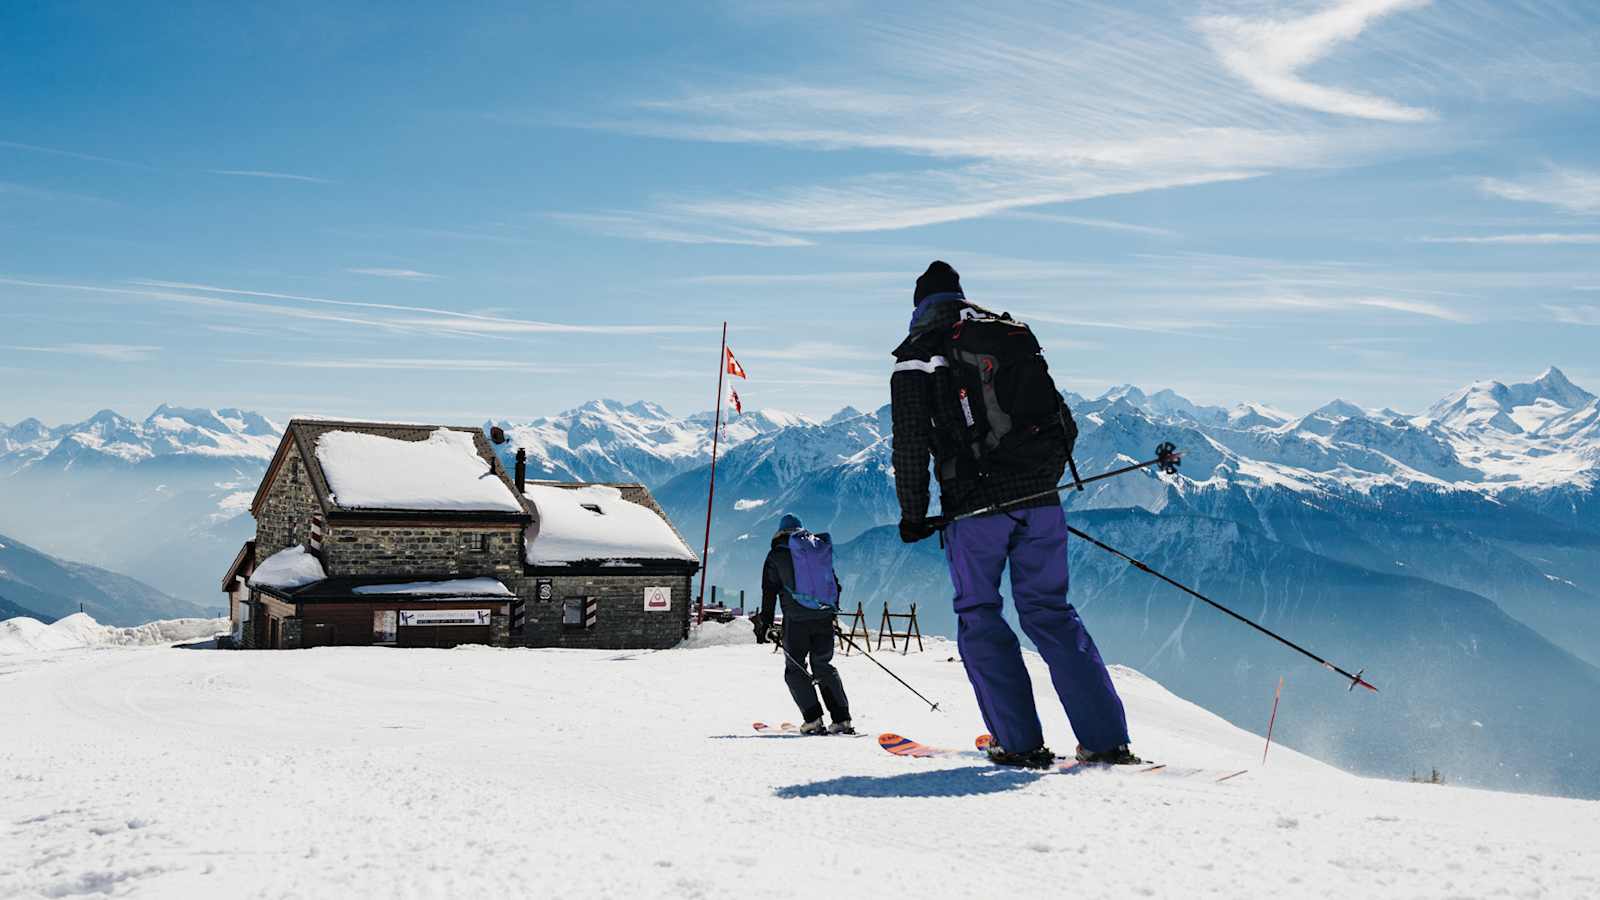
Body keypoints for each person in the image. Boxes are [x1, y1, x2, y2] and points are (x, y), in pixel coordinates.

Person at [890, 260, 1136, 768]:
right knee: (1052, 613)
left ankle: (1018, 743)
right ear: (960, 297)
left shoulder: (917, 357)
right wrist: (1039, 481)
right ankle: (1106, 740)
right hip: (1041, 503)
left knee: (980, 616)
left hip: (974, 510)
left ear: (918, 307)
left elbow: (911, 446)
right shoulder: (1009, 338)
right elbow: (1063, 423)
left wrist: (914, 515)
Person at [753, 513, 853, 735]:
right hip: (824, 616)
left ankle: (813, 720)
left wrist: (766, 624)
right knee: (823, 666)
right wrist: (829, 611)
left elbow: (768, 592)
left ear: (780, 533)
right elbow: (835, 584)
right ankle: (842, 720)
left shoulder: (775, 555)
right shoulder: (816, 551)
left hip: (796, 621)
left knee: (795, 668)